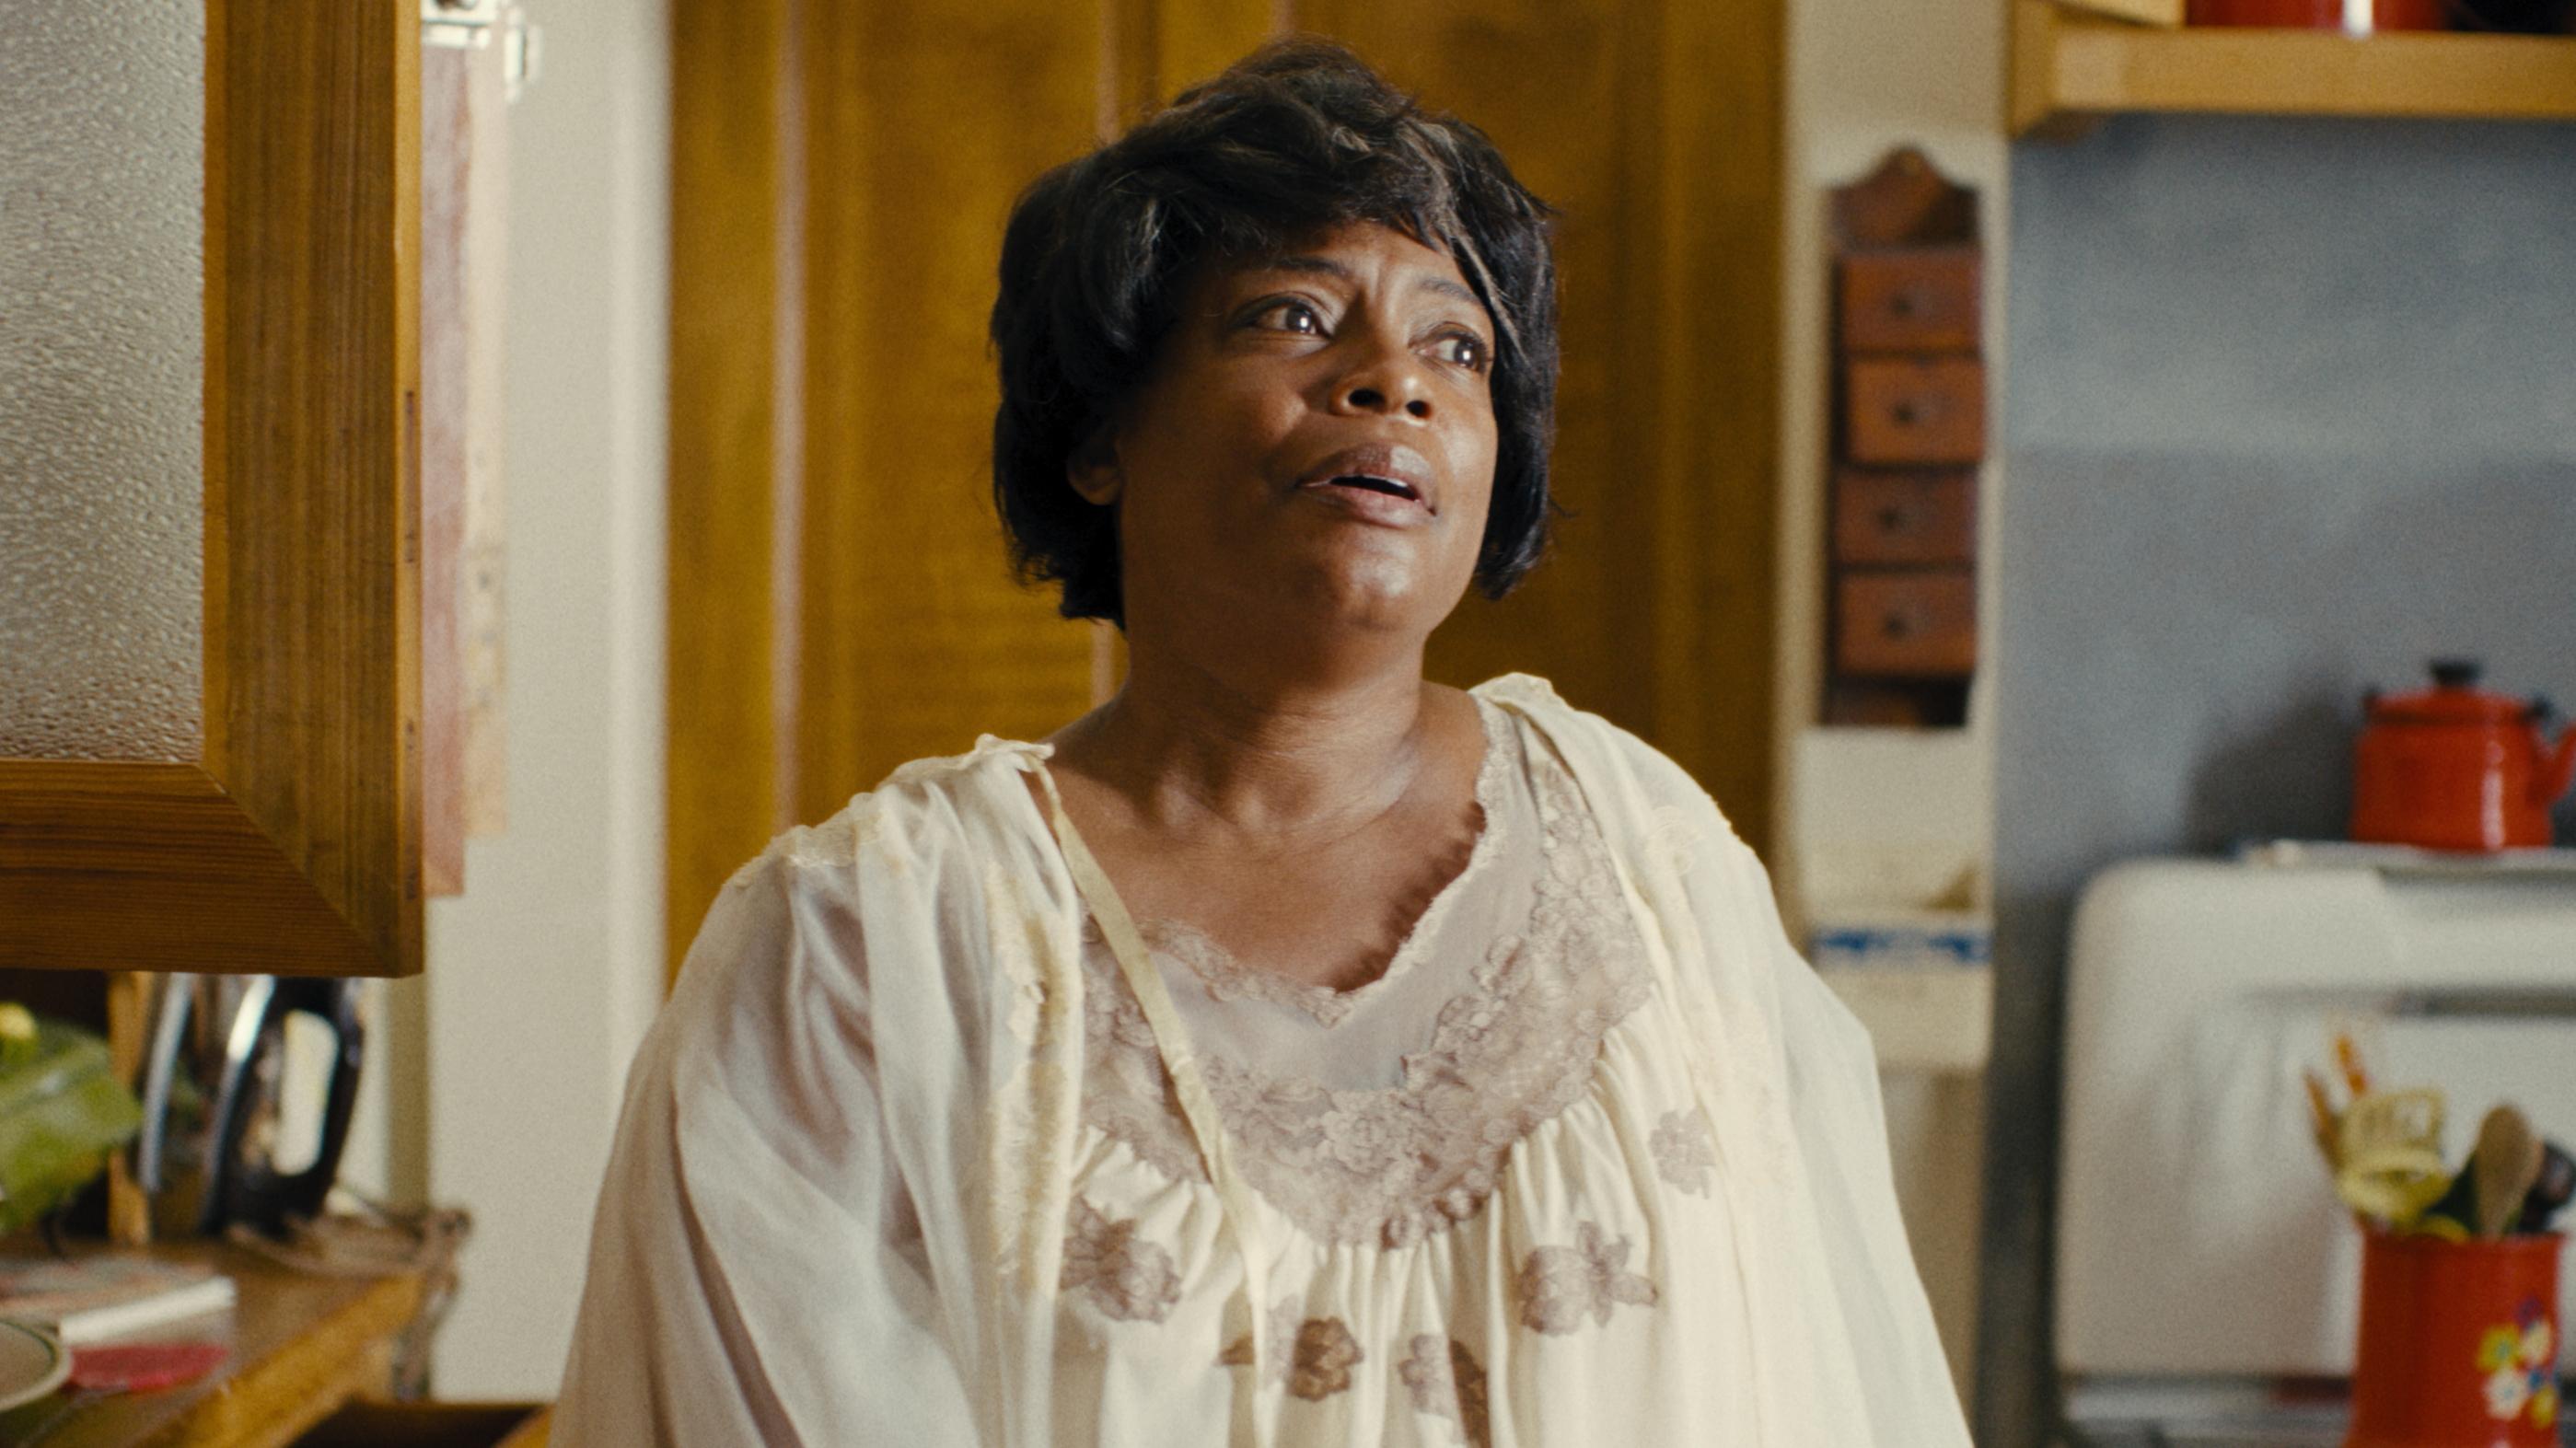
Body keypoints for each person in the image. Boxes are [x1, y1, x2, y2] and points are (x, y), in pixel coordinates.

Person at [557, 39, 1970, 1448]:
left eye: (1457, 347)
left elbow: (1834, 1385)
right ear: (1100, 432)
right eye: (1291, 317)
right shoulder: (870, 945)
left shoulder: (1649, 857)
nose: (1394, 380)